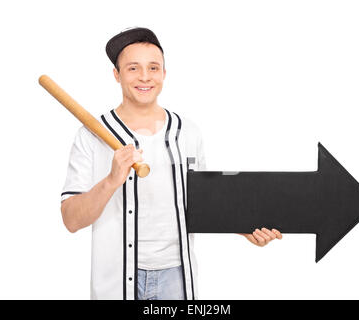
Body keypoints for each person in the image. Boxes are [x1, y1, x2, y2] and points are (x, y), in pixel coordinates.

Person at [60, 27, 282, 300]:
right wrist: (111, 180)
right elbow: (70, 220)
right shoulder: (92, 136)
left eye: (153, 68)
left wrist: (244, 226)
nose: (144, 77)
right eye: (133, 68)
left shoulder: (188, 132)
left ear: (164, 73)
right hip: (116, 279)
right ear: (116, 75)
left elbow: (203, 204)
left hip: (176, 277)